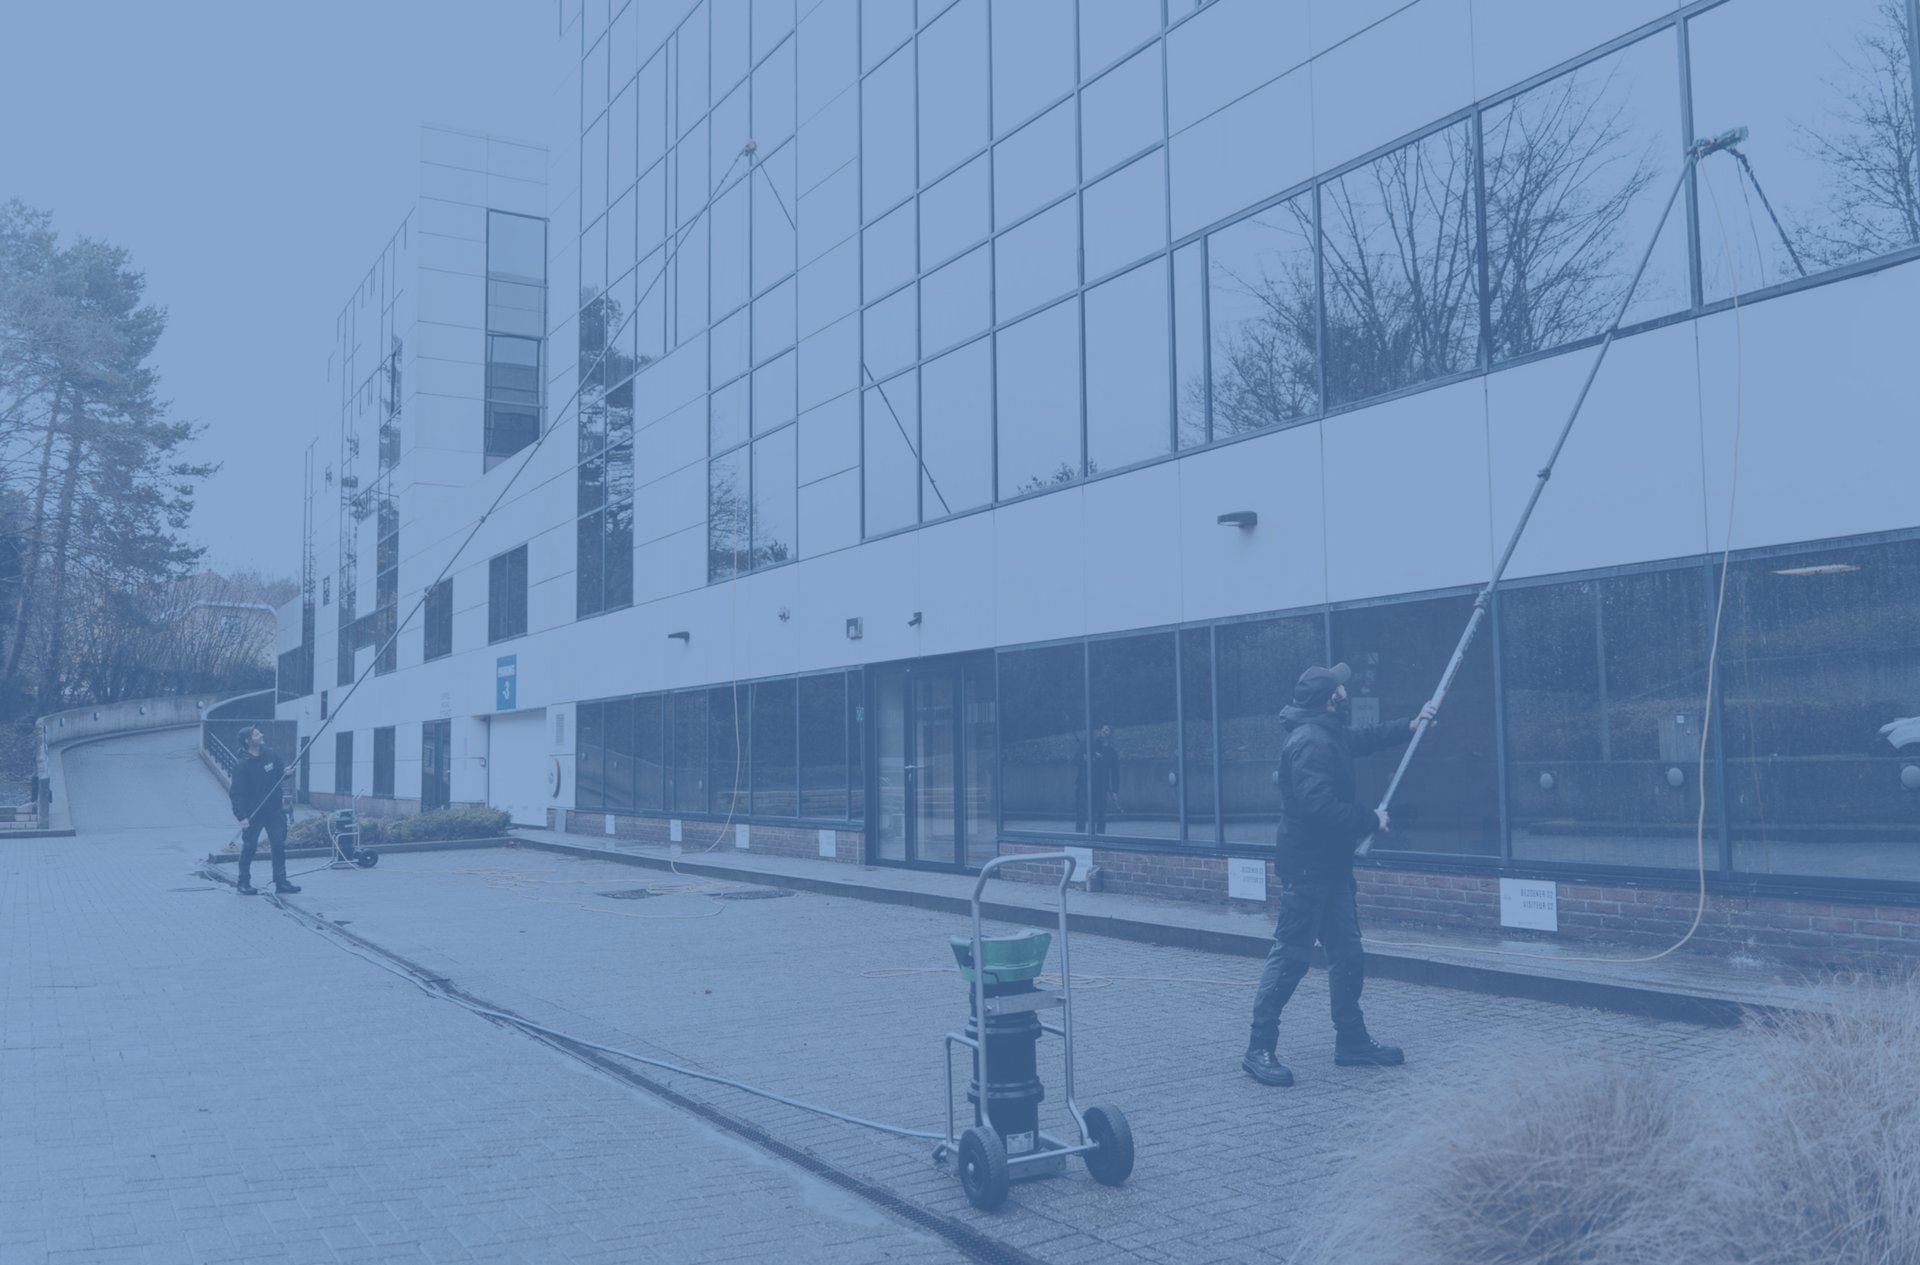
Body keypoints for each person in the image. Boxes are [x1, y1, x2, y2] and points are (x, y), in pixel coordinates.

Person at [1241, 663, 1434, 1086]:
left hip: (1332, 867)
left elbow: (1362, 739)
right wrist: (1371, 819)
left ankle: (1351, 1041)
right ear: (1331, 699)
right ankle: (1259, 1048)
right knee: (1291, 957)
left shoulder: (1327, 731)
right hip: (1308, 869)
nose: (1346, 691)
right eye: (1340, 688)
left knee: (1347, 954)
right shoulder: (1309, 742)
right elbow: (1319, 808)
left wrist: (1409, 725)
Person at [230, 726, 300, 896]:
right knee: (249, 847)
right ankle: (243, 883)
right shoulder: (241, 765)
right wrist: (242, 817)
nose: (261, 735)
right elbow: (236, 794)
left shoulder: (270, 754)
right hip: (253, 814)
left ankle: (281, 882)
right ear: (248, 741)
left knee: (278, 845)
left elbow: (280, 774)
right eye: (256, 734)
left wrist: (287, 773)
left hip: (274, 810)